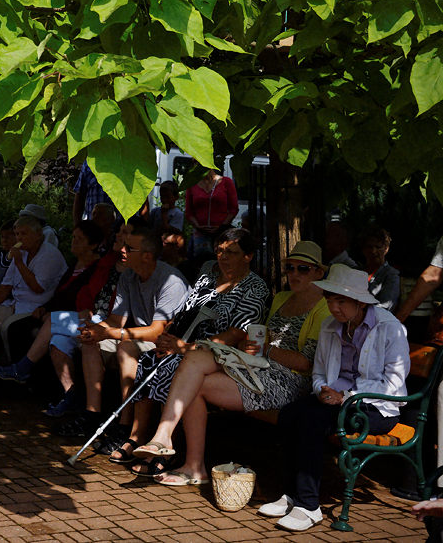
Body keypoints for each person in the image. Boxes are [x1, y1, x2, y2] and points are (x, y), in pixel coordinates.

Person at [134, 241, 330, 486]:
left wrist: (266, 350)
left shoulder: (324, 308)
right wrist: (253, 347)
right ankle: (170, 444)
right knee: (194, 363)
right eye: (290, 268)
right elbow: (262, 337)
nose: (294, 274)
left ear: (319, 273)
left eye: (303, 269)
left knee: (195, 377)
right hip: (259, 368)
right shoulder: (281, 298)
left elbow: (304, 363)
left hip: (290, 381)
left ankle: (185, 458)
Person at [260, 264, 409, 532]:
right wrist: (322, 390)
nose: (334, 308)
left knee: (312, 421)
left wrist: (347, 397)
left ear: (360, 302)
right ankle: (292, 494)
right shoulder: (331, 325)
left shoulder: (390, 328)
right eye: (330, 300)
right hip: (335, 401)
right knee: (290, 413)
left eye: (341, 301)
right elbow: (318, 372)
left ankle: (309, 505)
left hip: (375, 408)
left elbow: (395, 385)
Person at [120, 228, 270, 476]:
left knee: (171, 368)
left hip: (217, 352)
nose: (223, 257)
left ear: (248, 256)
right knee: (150, 359)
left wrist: (185, 347)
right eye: (220, 251)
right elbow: (186, 308)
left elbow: (236, 334)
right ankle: (138, 437)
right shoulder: (208, 271)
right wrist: (171, 335)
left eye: (231, 252)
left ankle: (168, 447)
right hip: (186, 341)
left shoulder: (255, 288)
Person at [57, 225, 189, 450]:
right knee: (91, 342)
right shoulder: (128, 276)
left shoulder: (171, 281)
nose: (123, 251)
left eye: (130, 248)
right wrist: (96, 330)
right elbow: (116, 321)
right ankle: (92, 416)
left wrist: (111, 333)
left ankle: (125, 427)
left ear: (147, 256)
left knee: (126, 347)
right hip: (138, 336)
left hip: (167, 344)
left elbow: (158, 331)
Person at [0, 220, 115, 414]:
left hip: (89, 319)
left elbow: (89, 298)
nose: (73, 242)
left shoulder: (98, 268)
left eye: (79, 239)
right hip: (68, 319)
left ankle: (23, 367)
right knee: (57, 345)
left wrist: (52, 310)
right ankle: (70, 395)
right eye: (73, 237)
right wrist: (45, 307)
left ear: (93, 244)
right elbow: (61, 293)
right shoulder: (74, 264)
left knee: (51, 321)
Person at [0, 216, 68, 359]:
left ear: (38, 235)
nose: (19, 238)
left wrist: (19, 262)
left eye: (24, 234)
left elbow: (38, 287)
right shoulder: (21, 252)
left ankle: (13, 365)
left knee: (7, 327)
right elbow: (6, 285)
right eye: (17, 234)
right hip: (16, 303)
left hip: (37, 306)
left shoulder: (49, 254)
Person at [184, 166, 238, 262]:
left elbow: (233, 209)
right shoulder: (192, 185)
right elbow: (188, 212)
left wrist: (222, 226)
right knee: (200, 263)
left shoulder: (226, 182)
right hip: (200, 234)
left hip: (221, 232)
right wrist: (198, 226)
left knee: (222, 260)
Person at [360, 227, 399, 312]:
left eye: (378, 247)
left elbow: (385, 307)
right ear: (363, 249)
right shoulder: (356, 272)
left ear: (386, 249)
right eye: (369, 247)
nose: (373, 251)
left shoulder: (391, 275)